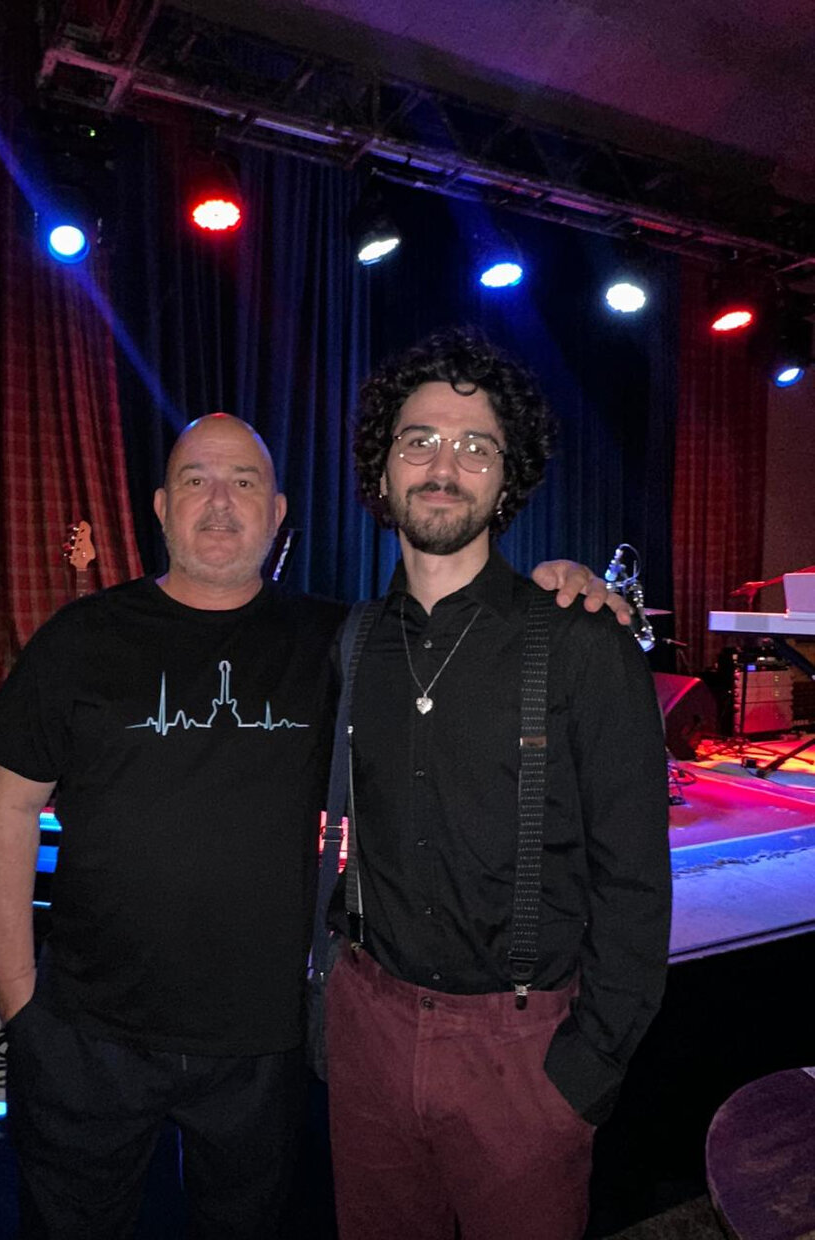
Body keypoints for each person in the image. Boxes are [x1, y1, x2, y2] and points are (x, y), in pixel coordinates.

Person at [0, 411, 629, 1239]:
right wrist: (17, 1000)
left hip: (267, 1043)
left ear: (279, 512)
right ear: (160, 506)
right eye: (195, 482)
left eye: (244, 482)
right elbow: (11, 810)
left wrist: (557, 586)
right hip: (84, 1035)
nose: (219, 502)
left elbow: (466, 633)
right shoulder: (81, 638)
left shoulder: (339, 641)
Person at [325, 328, 672, 1240]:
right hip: (367, 1034)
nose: (446, 465)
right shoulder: (349, 642)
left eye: (476, 446)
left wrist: (586, 1075)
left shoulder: (582, 642)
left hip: (524, 1057)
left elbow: (635, 883)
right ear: (384, 468)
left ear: (506, 479)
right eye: (420, 441)